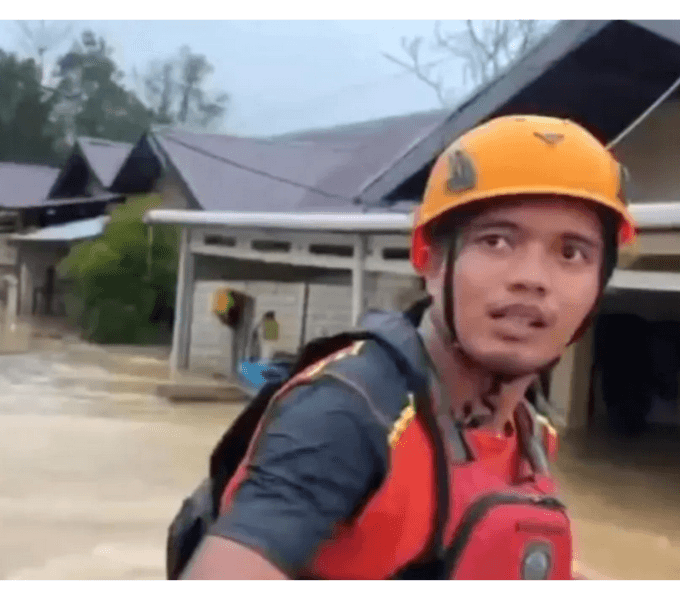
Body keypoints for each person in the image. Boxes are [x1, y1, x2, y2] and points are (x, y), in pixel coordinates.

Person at [179, 115, 637, 580]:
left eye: (571, 253)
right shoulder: (348, 414)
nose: (532, 278)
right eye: (496, 241)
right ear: (430, 259)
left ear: (598, 285)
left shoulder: (530, 431)